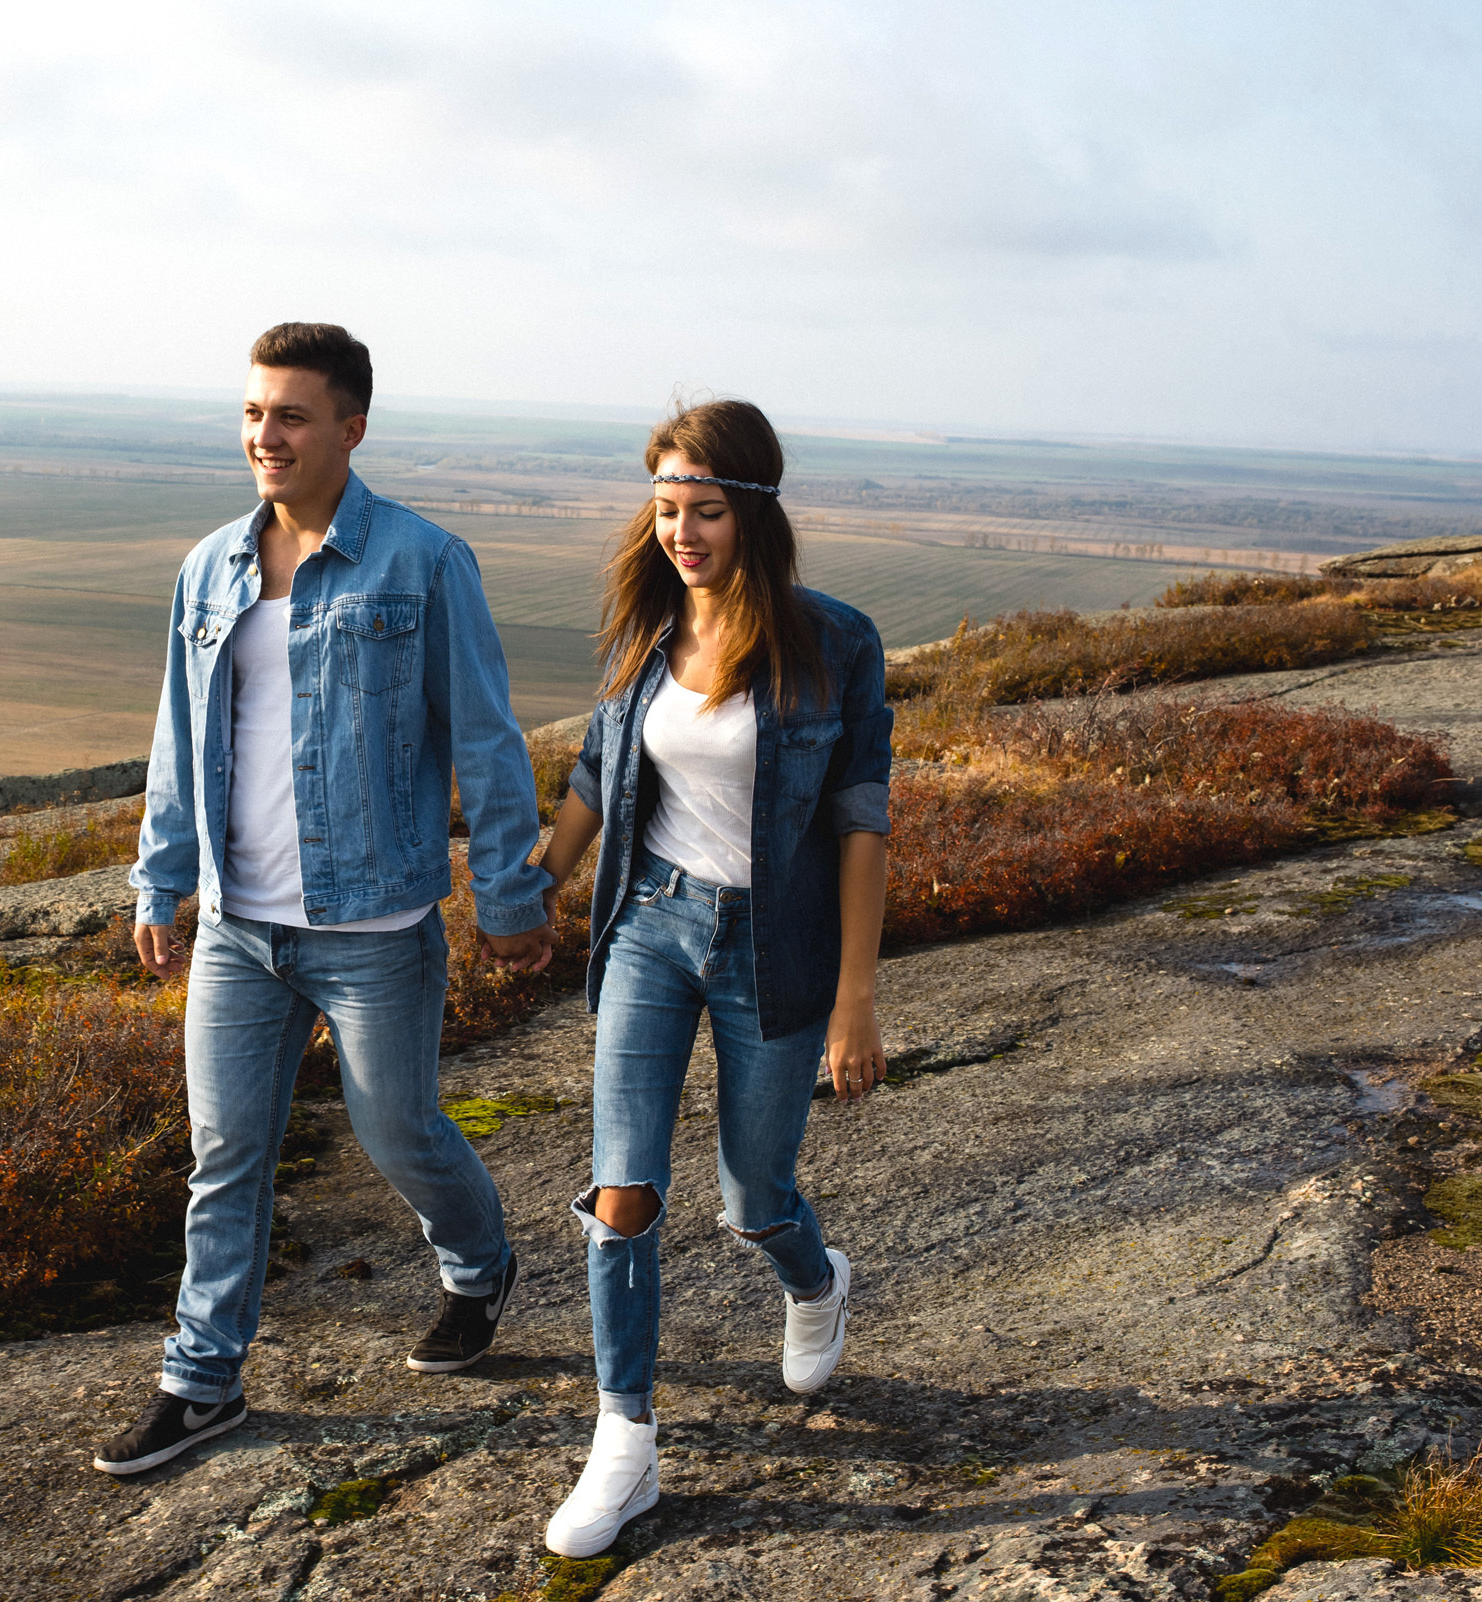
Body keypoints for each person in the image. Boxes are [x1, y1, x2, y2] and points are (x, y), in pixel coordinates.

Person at [93, 323, 556, 1477]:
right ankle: (202, 1382)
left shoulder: (424, 562)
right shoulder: (210, 567)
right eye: (254, 414)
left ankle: (477, 1262)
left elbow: (490, 743)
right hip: (240, 931)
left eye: (291, 416)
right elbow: (176, 737)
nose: (266, 436)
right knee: (226, 1154)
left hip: (376, 930)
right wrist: (164, 876)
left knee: (396, 1128)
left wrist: (509, 892)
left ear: (350, 427)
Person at [528, 399, 892, 1557]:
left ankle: (815, 1274)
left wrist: (854, 1000)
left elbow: (861, 826)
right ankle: (624, 1442)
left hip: (772, 949)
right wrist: (540, 885)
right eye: (668, 507)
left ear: (757, 515)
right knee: (623, 1190)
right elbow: (599, 773)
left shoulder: (836, 642)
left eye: (707, 510)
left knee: (753, 1202)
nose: (682, 531)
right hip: (648, 924)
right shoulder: (646, 625)